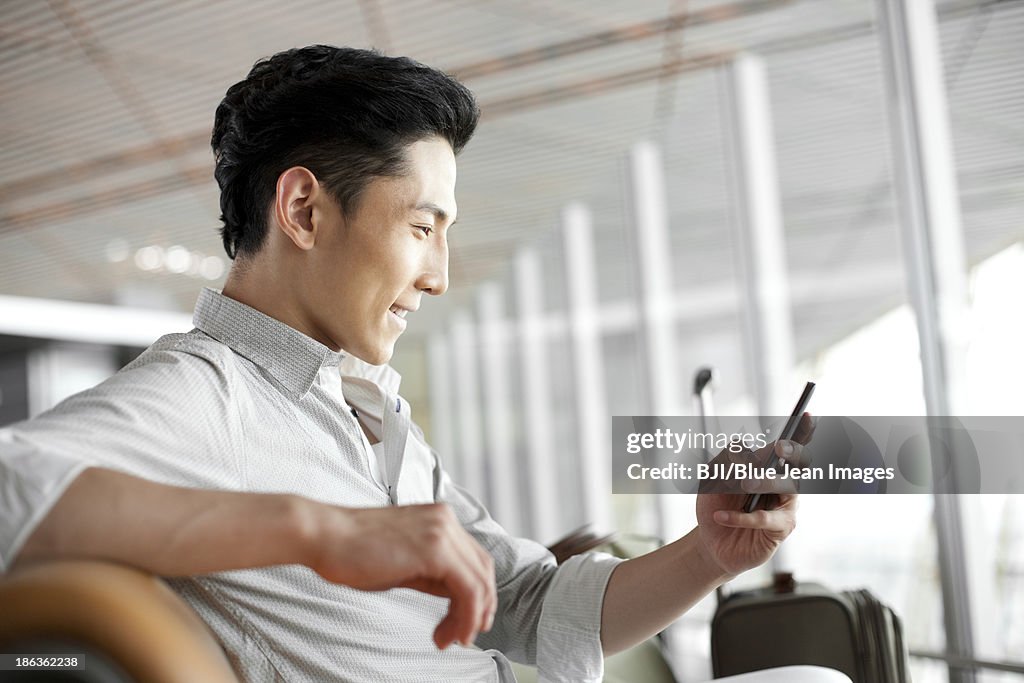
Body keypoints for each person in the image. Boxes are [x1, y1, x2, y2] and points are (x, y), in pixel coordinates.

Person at [0, 45, 812, 682]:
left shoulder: (368, 409)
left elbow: (530, 601)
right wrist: (316, 527)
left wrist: (710, 550)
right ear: (304, 210)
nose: (441, 274)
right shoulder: (205, 394)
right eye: (423, 228)